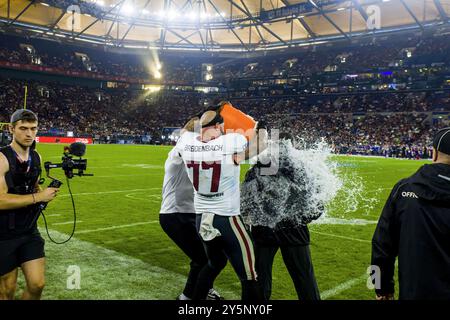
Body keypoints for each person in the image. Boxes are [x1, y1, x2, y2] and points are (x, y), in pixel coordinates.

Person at [175, 110, 264, 301]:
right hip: (226, 218)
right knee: (250, 276)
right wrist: (261, 128)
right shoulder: (230, 141)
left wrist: (200, 120)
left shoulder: (186, 142)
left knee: (215, 263)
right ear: (217, 127)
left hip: (201, 217)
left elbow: (184, 132)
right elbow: (255, 147)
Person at [371, 127, 450, 300]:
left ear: (434, 153)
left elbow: (380, 245)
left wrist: (379, 288)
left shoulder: (404, 189)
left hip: (415, 293)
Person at [241, 133, 321, 300]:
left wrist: (251, 219)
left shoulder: (259, 166)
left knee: (259, 279)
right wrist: (302, 219)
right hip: (293, 229)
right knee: (304, 279)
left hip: (264, 228)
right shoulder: (300, 167)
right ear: (291, 146)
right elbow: (316, 203)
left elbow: (245, 198)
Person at [159, 117, 221, 300]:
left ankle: (204, 289)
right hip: (175, 214)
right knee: (203, 258)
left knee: (210, 255)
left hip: (189, 213)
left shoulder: (192, 149)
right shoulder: (181, 149)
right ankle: (187, 297)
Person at [0, 109, 59, 300]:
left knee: (37, 284)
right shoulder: (2, 159)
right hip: (3, 233)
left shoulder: (36, 157)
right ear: (11, 129)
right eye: (23, 128)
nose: (29, 134)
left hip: (29, 230)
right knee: (6, 291)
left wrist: (40, 191)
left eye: (33, 129)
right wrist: (38, 197)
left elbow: (33, 187)